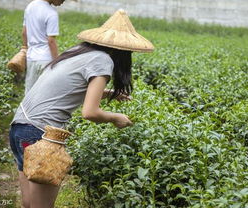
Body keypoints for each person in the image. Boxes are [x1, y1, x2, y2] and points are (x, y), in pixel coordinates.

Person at [9, 9, 154, 208]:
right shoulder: (103, 60)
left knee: (29, 203)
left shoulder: (76, 52)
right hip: (39, 134)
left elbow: (66, 86)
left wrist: (107, 93)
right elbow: (90, 113)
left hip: (19, 127)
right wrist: (116, 117)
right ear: (123, 50)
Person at [22, 0, 65, 94]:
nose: (62, 2)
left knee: (29, 93)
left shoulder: (30, 6)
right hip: (45, 60)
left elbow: (24, 33)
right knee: (44, 94)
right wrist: (56, 62)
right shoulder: (51, 13)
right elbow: (51, 41)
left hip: (31, 58)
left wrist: (24, 49)